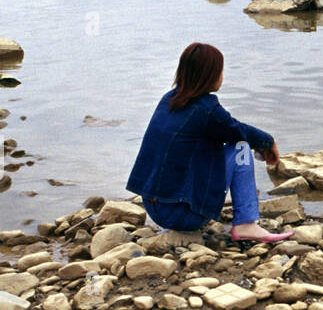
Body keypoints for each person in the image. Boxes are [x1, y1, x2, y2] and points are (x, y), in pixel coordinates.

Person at [126, 42, 293, 243]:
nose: (222, 76)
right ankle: (246, 224)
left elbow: (226, 130)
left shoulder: (169, 99)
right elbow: (238, 131)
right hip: (182, 216)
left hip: (154, 207)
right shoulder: (206, 110)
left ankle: (239, 219)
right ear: (209, 75)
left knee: (214, 145)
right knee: (241, 147)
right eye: (220, 71)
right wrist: (268, 141)